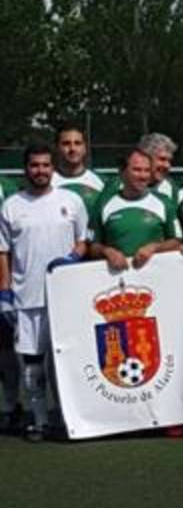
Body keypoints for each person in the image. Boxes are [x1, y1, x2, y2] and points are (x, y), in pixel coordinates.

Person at [0, 144, 89, 441]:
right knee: (33, 366)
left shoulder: (72, 200)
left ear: (53, 168)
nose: (40, 171)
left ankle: (69, 419)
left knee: (67, 363)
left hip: (65, 297)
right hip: (27, 299)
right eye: (35, 165)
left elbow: (83, 241)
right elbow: (3, 252)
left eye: (45, 165)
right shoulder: (11, 205)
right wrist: (5, 292)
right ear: (25, 169)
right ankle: (39, 421)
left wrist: (73, 258)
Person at [89, 149, 182, 271]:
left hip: (158, 279)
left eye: (147, 170)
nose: (143, 176)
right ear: (122, 172)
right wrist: (107, 251)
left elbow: (176, 241)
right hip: (117, 281)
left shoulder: (164, 203)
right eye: (137, 170)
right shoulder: (104, 204)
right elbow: (92, 247)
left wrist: (154, 247)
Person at [51, 124, 107, 212]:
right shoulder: (46, 182)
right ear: (56, 148)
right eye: (66, 144)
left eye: (77, 143)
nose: (72, 148)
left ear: (85, 148)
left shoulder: (102, 183)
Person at [137, 133, 178, 200]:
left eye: (169, 161)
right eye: (162, 159)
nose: (167, 165)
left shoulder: (173, 192)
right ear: (145, 157)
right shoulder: (119, 187)